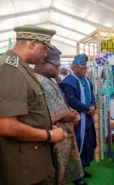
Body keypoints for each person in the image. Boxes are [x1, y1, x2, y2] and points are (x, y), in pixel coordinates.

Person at [0, 25, 65, 185]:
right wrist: (49, 135)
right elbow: (6, 126)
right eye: (44, 48)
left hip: (26, 163)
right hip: (21, 170)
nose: (46, 54)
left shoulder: (18, 67)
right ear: (32, 44)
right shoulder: (10, 69)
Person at [34, 47, 86, 185]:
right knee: (56, 172)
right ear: (42, 63)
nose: (59, 69)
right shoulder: (41, 81)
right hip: (55, 134)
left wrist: (73, 114)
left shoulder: (48, 79)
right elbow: (59, 112)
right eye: (56, 65)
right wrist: (74, 116)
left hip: (63, 130)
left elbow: (62, 103)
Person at [59, 53, 97, 178]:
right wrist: (86, 109)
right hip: (77, 120)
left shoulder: (87, 80)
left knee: (88, 144)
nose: (83, 70)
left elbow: (92, 96)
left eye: (85, 68)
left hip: (88, 120)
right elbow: (71, 100)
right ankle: (76, 175)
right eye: (80, 68)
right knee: (77, 144)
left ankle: (83, 169)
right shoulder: (68, 82)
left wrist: (93, 106)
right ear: (73, 66)